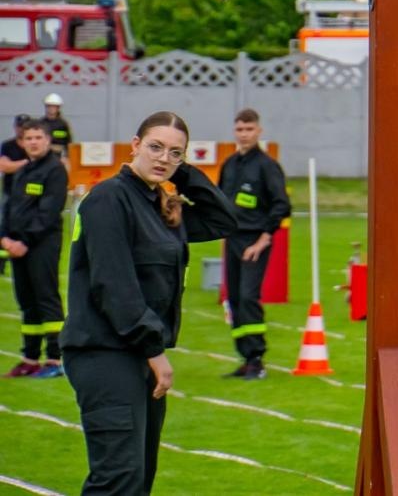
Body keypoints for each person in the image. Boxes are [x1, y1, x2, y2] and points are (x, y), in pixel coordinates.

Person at [62, 111, 237, 494]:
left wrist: (180, 173)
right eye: (155, 147)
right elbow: (113, 285)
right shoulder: (108, 199)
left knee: (139, 478)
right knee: (118, 480)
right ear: (135, 145)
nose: (163, 158)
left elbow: (224, 220)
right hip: (105, 353)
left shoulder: (161, 204)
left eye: (175, 153)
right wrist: (154, 351)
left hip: (137, 354)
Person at [217, 108, 291, 378]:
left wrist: (262, 240)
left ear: (259, 131)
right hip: (232, 240)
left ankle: (257, 359)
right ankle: (246, 357)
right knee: (235, 299)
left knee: (249, 297)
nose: (244, 134)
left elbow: (281, 205)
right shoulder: (229, 164)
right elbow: (219, 201)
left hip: (255, 241)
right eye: (239, 129)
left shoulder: (267, 166)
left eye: (249, 129)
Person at [1, 119, 67, 377]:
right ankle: (30, 358)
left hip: (41, 245)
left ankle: (55, 360)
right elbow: (9, 207)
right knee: (27, 302)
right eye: (29, 138)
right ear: (22, 142)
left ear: (48, 140)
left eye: (38, 137)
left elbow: (48, 213)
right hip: (17, 246)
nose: (33, 142)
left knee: (46, 298)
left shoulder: (55, 170)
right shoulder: (22, 170)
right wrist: (4, 237)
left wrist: (24, 241)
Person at [0, 115, 28, 278]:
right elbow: (4, 166)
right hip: (10, 192)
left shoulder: (31, 146)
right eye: (19, 126)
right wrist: (25, 163)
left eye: (24, 126)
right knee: (4, 226)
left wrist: (14, 165)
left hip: (28, 195)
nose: (21, 129)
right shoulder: (8, 145)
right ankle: (1, 263)